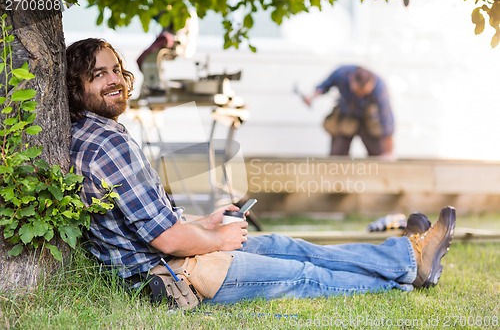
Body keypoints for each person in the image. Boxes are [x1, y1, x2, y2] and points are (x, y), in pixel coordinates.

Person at [66, 38, 456, 307]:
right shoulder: (108, 144)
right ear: (75, 85)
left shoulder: (90, 134)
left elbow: (150, 223)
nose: (114, 79)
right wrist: (216, 236)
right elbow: (168, 240)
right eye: (98, 74)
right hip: (177, 272)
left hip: (173, 256)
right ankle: (405, 275)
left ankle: (407, 257)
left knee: (291, 247)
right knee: (303, 275)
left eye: (116, 70)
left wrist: (209, 220)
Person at [304, 65, 394, 157]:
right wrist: (312, 97)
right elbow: (324, 86)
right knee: (337, 155)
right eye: (357, 92)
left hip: (368, 120)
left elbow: (386, 121)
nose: (360, 96)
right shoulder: (341, 74)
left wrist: (388, 153)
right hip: (346, 115)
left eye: (364, 93)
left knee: (379, 155)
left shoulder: (380, 87)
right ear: (351, 80)